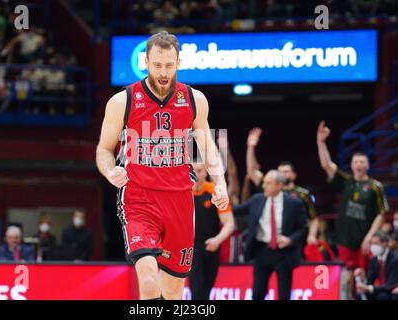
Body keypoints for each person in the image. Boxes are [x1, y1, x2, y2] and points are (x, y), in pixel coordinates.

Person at [96, 31, 229, 300]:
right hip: (138, 198)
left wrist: (221, 184)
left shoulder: (194, 99)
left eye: (169, 65)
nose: (163, 71)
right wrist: (110, 171)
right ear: (146, 61)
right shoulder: (123, 100)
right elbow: (104, 150)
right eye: (157, 65)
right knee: (147, 280)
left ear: (179, 62)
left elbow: (207, 146)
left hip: (180, 199)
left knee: (173, 290)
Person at [316, 121, 389, 298]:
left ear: (367, 165)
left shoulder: (375, 187)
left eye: (362, 162)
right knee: (347, 277)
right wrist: (321, 142)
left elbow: (381, 213)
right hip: (346, 239)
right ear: (352, 164)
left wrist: (369, 237)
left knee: (368, 276)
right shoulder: (346, 181)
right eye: (356, 161)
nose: (358, 164)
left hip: (366, 239)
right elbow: (327, 165)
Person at [233, 170, 308, 300]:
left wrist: (290, 240)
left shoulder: (294, 203)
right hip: (262, 250)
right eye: (264, 183)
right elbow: (237, 210)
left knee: (284, 294)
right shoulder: (257, 199)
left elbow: (303, 229)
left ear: (279, 185)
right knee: (257, 292)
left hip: (284, 253)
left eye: (268, 183)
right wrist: (219, 200)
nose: (264, 186)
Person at [247, 127, 320, 245]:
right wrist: (250, 147)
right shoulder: (270, 189)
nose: (282, 174)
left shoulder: (303, 194)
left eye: (286, 171)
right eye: (280, 171)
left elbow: (314, 218)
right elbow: (252, 172)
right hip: (271, 240)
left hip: (296, 241)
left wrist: (311, 236)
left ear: (294, 175)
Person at [189, 162, 235, 300]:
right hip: (190, 246)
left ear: (206, 173)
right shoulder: (183, 191)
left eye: (200, 171)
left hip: (211, 245)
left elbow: (230, 223)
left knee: (207, 287)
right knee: (196, 287)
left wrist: (218, 240)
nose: (196, 174)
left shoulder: (215, 191)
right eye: (193, 170)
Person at [354, 231, 398, 300]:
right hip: (381, 289)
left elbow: (390, 285)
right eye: (372, 244)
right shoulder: (374, 259)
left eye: (376, 243)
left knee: (383, 296)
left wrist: (369, 288)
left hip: (392, 289)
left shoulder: (395, 259)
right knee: (360, 294)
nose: (373, 247)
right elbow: (369, 281)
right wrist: (363, 278)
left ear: (385, 243)